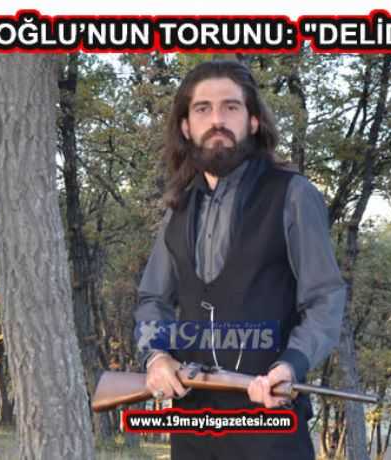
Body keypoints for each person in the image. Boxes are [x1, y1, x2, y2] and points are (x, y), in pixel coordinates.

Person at [134, 59, 347, 460]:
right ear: (186, 126)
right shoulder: (177, 210)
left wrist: (291, 366)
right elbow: (152, 300)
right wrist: (157, 357)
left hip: (270, 426)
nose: (217, 120)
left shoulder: (293, 195)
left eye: (230, 107)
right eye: (203, 109)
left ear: (253, 121)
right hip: (192, 429)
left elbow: (325, 298)